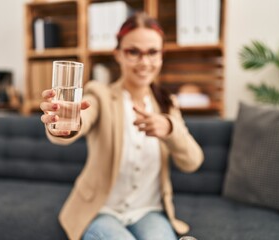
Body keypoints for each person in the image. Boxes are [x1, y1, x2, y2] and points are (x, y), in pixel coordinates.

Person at [40, 12, 204, 240]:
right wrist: (64, 122)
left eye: (153, 52)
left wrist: (169, 129)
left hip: (148, 211)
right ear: (118, 54)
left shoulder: (167, 105)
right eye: (133, 52)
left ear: (161, 56)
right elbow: (80, 121)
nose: (144, 62)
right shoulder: (100, 94)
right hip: (100, 210)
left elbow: (193, 161)